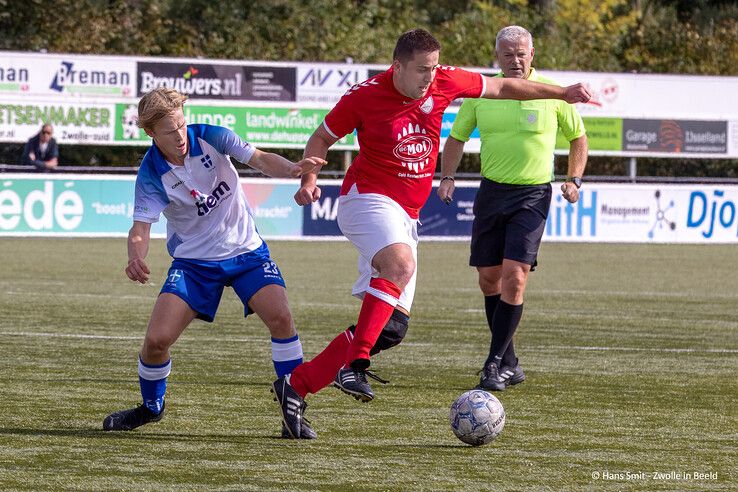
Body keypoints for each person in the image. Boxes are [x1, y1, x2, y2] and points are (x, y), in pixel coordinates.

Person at [268, 28, 590, 438]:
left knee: (392, 329)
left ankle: (296, 387)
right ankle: (354, 365)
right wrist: (308, 178)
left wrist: (561, 93)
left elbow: (505, 86)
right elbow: (322, 137)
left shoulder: (444, 80)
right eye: (422, 69)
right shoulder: (363, 96)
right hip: (365, 198)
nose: (429, 77)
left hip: (405, 215)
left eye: (434, 67)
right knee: (400, 265)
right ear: (397, 66)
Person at [102, 87, 325, 439]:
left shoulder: (209, 135)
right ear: (150, 134)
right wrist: (135, 256)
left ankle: (293, 410)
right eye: (168, 131)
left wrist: (295, 169)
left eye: (180, 125)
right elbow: (140, 228)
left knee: (282, 319)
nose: (179, 136)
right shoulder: (150, 174)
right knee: (157, 341)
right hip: (195, 263)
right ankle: (151, 407)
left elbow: (260, 158)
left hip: (246, 251)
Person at [438, 25, 588, 391]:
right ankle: (510, 360)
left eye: (521, 53)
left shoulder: (553, 93)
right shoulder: (482, 94)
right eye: (508, 54)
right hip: (492, 192)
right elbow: (456, 138)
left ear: (532, 54)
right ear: (497, 58)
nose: (515, 60)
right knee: (488, 278)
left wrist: (574, 179)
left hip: (533, 195)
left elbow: (578, 138)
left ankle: (492, 364)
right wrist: (447, 176)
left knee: (515, 277)